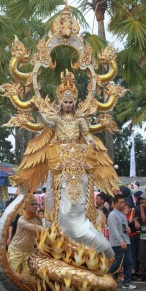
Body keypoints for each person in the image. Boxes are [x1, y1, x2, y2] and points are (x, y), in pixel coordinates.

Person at [28, 72, 115, 260]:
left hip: (76, 159)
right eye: (65, 102)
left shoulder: (80, 120)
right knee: (54, 193)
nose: (68, 105)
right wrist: (38, 111)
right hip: (60, 159)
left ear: (74, 103)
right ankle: (58, 229)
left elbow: (87, 135)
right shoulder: (58, 120)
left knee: (78, 197)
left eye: (70, 102)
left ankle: (82, 234)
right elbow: (47, 122)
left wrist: (91, 143)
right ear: (61, 103)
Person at [6, 195, 44, 291]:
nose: (35, 206)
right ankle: (10, 290)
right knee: (13, 274)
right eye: (32, 204)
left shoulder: (37, 219)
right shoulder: (22, 220)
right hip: (16, 250)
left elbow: (40, 232)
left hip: (29, 251)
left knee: (27, 276)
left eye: (36, 204)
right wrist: (48, 230)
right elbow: (36, 229)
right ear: (26, 206)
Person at [107, 194, 137, 289]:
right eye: (121, 202)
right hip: (118, 243)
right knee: (117, 263)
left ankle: (127, 282)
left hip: (126, 240)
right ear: (115, 203)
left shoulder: (122, 214)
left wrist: (128, 229)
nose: (123, 204)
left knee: (129, 262)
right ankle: (104, 275)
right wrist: (120, 241)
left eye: (124, 202)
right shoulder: (112, 215)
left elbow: (124, 226)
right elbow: (114, 230)